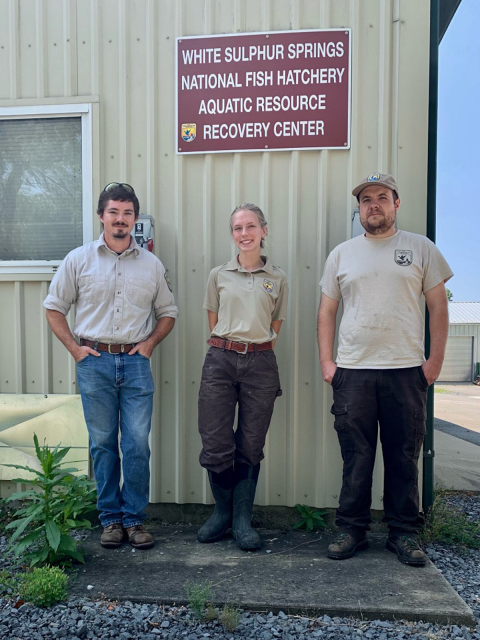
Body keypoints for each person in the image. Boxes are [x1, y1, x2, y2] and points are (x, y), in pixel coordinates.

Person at [317, 173, 453, 566]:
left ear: (396, 203)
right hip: (353, 372)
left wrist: (435, 363)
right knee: (356, 456)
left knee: (402, 455)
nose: (373, 204)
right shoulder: (342, 254)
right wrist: (328, 363)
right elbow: (327, 312)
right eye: (366, 200)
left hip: (405, 371)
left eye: (381, 197)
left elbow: (438, 308)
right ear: (359, 209)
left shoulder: (420, 248)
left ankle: (404, 533)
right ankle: (352, 529)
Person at [44, 183, 178, 550]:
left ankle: (135, 520)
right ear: (102, 216)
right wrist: (75, 349)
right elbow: (54, 308)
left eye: (128, 214)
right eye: (114, 213)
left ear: (135, 219)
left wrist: (149, 344)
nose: (121, 220)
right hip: (94, 362)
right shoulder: (79, 259)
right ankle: (111, 520)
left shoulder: (151, 265)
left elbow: (168, 312)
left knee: (136, 444)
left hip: (135, 365)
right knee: (103, 444)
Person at [197, 203, 288, 550]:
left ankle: (241, 520)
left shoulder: (276, 278)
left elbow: (275, 323)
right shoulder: (218, 274)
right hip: (220, 359)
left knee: (251, 443)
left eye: (251, 226)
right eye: (238, 228)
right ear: (232, 234)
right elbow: (213, 318)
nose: (244, 233)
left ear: (264, 230)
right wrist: (230, 345)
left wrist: (255, 348)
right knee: (216, 440)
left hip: (261, 365)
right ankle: (222, 514)